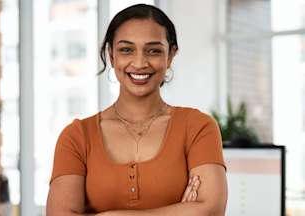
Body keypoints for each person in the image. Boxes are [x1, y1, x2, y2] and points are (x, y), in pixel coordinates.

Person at [47, 4, 227, 216]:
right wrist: (182, 211)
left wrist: (110, 215)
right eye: (126, 50)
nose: (140, 63)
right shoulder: (76, 137)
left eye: (153, 51)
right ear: (111, 55)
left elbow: (210, 211)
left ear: (170, 56)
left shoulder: (198, 127)